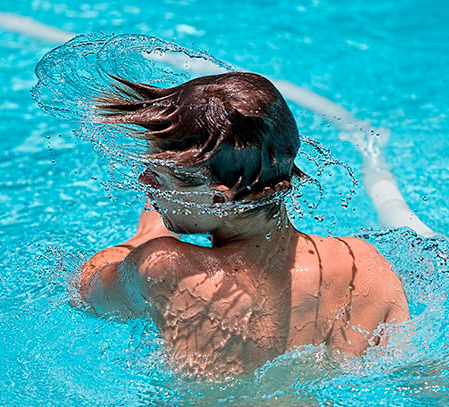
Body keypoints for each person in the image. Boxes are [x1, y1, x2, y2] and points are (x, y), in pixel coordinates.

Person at [79, 72, 409, 376]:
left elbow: (85, 289)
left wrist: (147, 236)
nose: (144, 182)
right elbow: (423, 374)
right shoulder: (365, 266)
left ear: (219, 200)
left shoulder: (166, 268)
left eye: (159, 177)